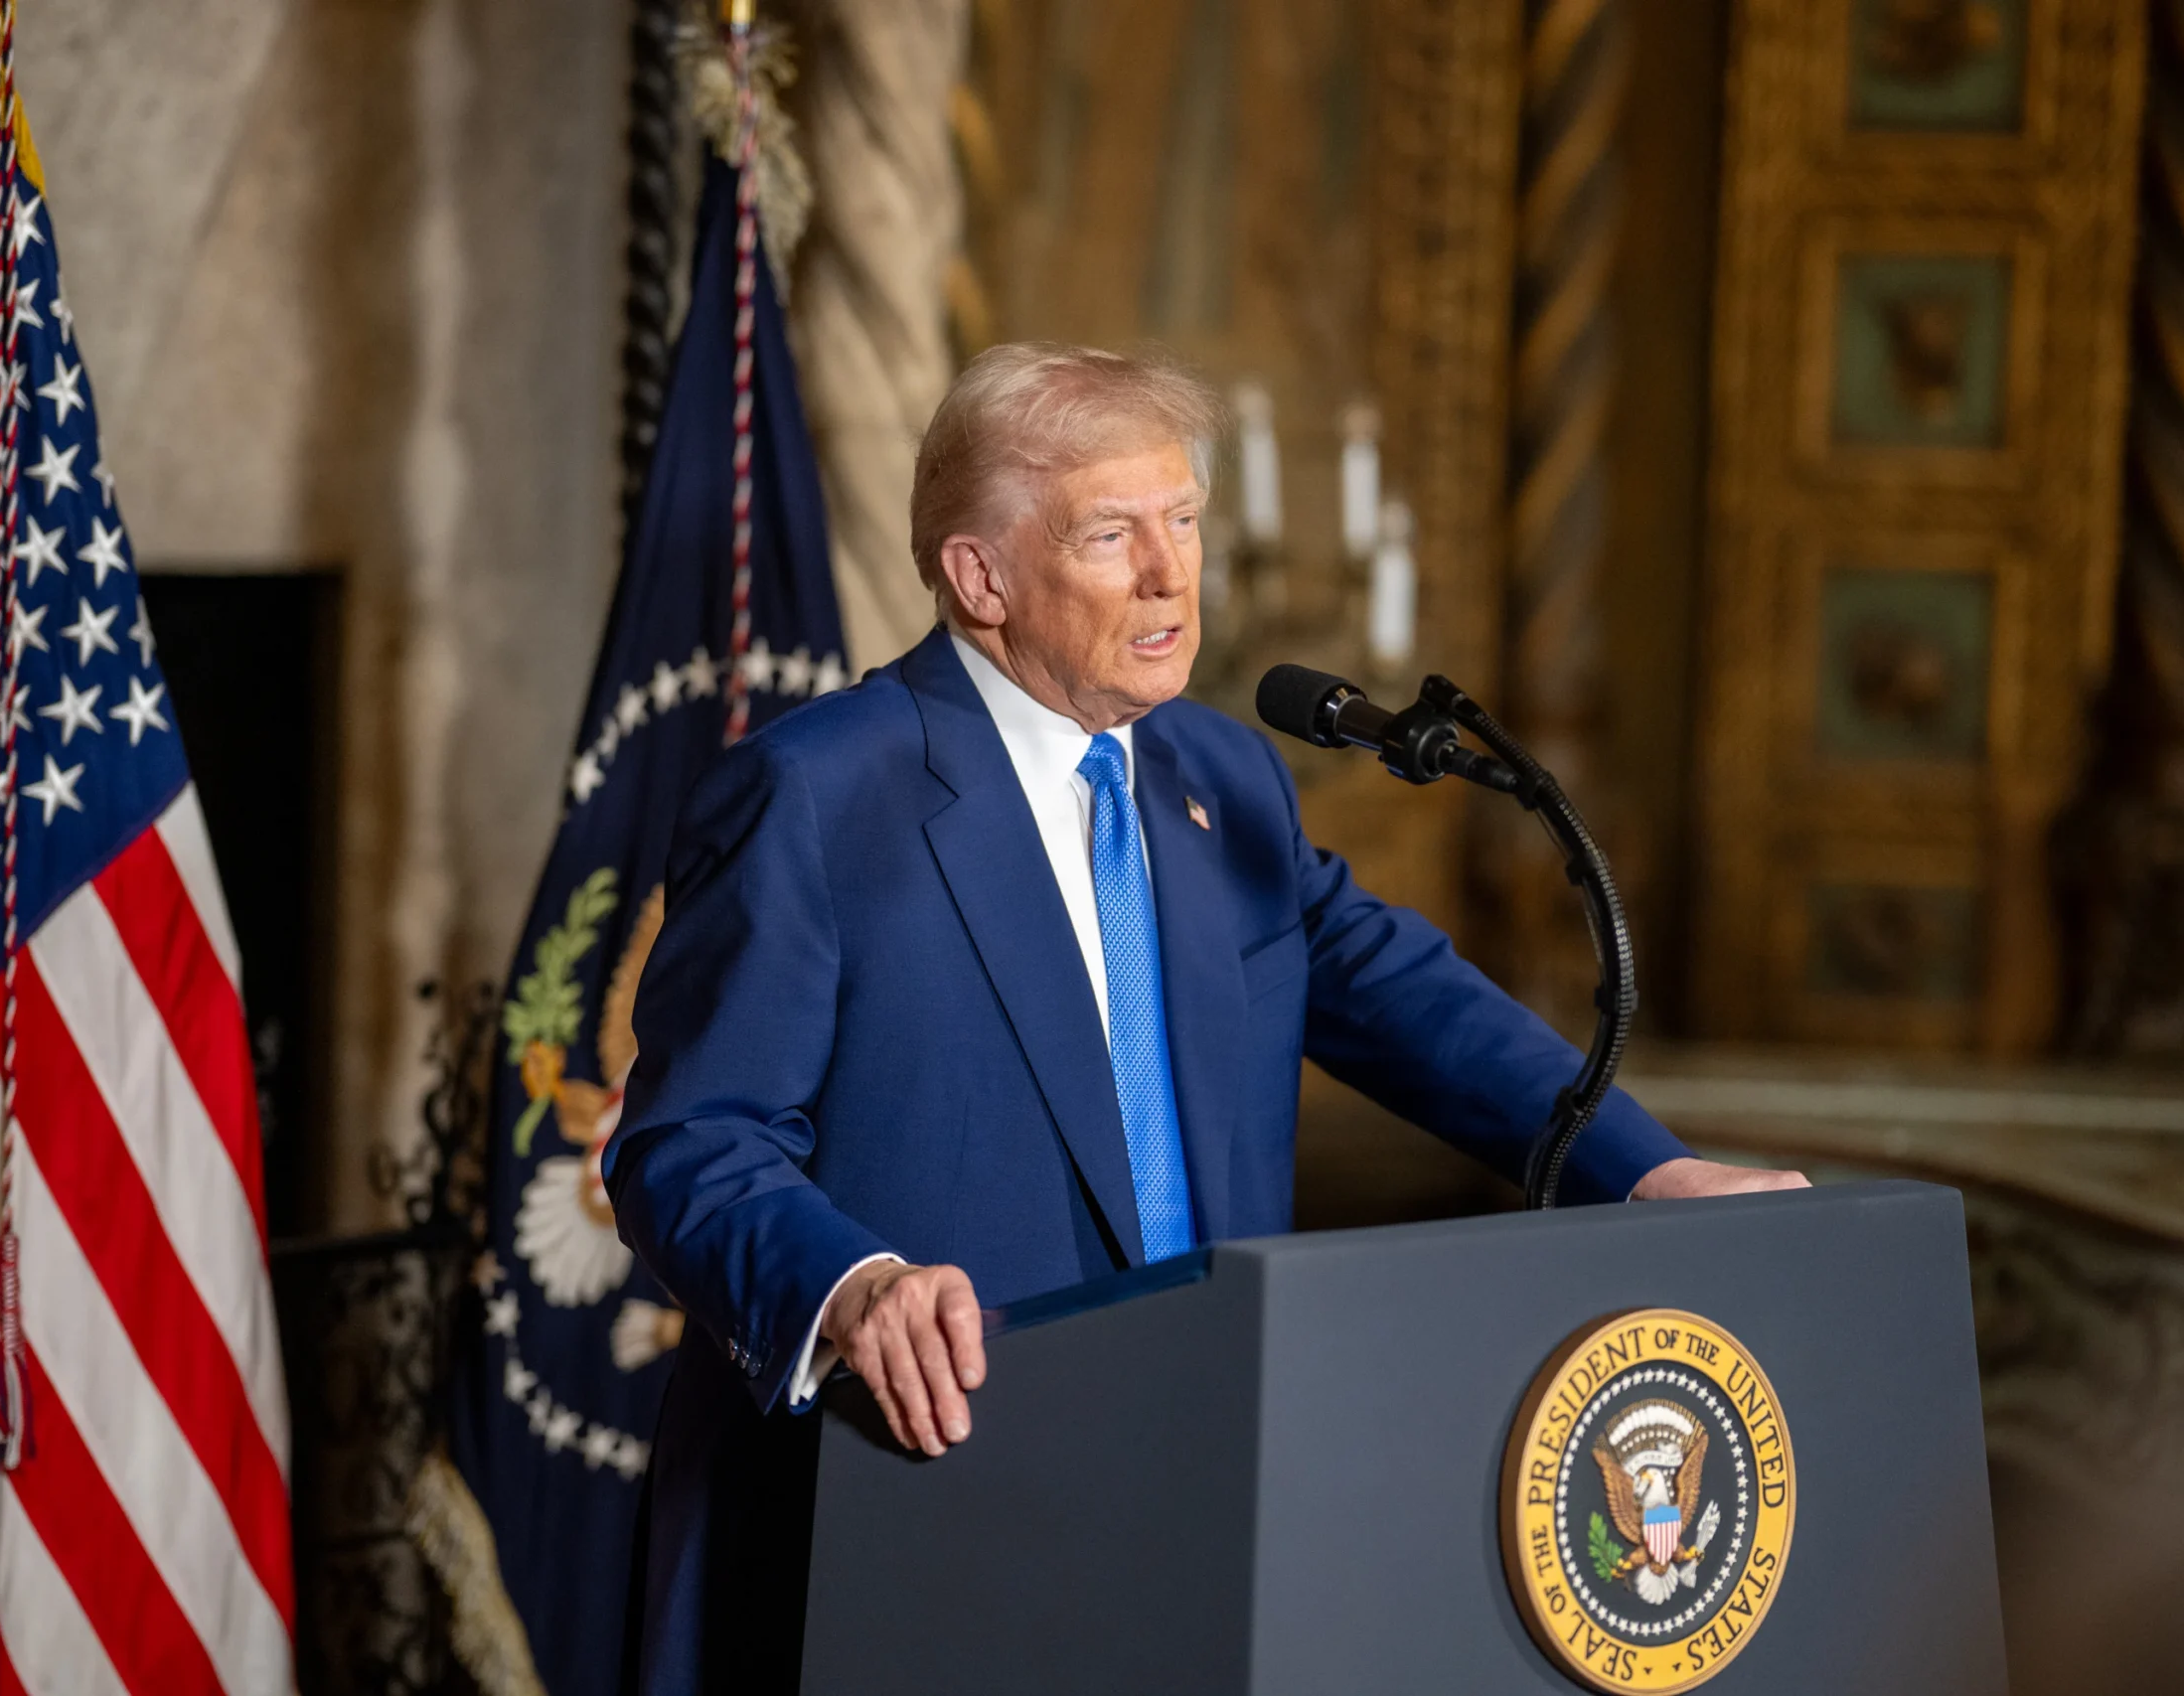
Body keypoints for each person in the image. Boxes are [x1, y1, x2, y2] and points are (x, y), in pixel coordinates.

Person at [603, 343, 1805, 1693]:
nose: (1172, 574)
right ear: (980, 578)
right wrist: (852, 1287)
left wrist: (1643, 1170)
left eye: (1183, 520)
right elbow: (689, 1143)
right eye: (1111, 534)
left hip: (1197, 1475)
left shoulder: (1223, 775)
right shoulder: (818, 795)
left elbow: (1399, 994)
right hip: (913, 1506)